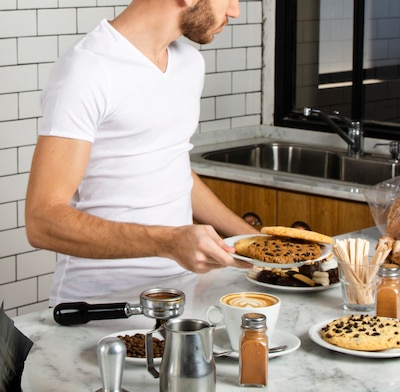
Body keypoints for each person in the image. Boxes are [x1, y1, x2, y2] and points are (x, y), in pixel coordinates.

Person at [24, 0, 257, 306]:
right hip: (100, 306)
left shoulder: (189, 63)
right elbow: (42, 221)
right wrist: (169, 242)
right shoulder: (88, 69)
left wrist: (253, 241)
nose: (235, 11)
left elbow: (170, 170)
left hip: (179, 295)